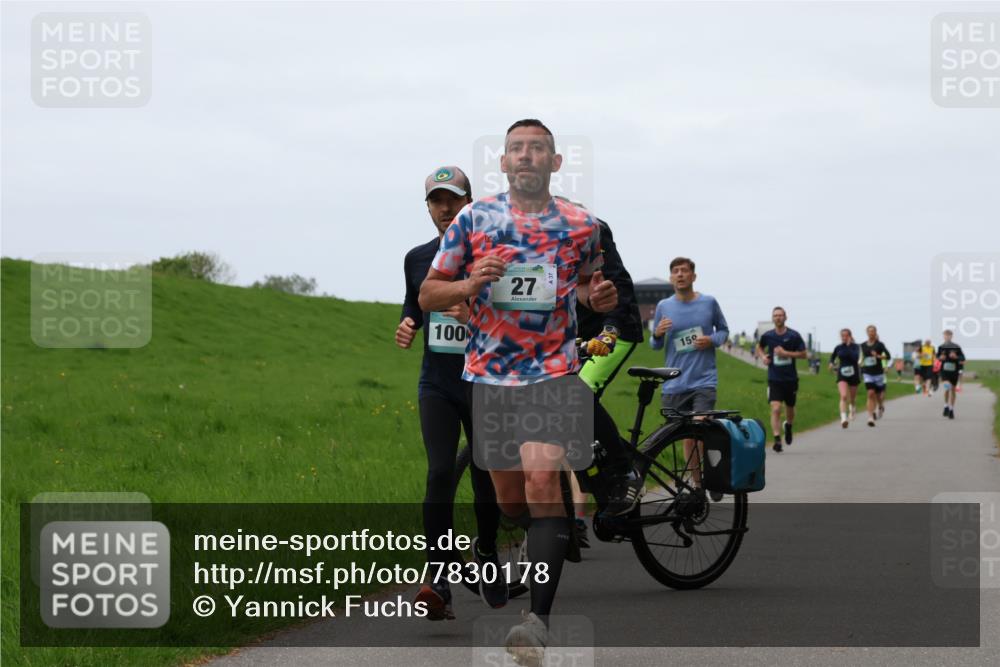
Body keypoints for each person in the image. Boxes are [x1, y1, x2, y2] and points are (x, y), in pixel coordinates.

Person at [419, 119, 636, 666]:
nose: (526, 156)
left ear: (555, 163)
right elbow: (427, 294)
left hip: (552, 373)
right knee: (512, 501)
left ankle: (536, 621)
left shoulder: (583, 226)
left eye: (537, 148)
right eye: (516, 148)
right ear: (504, 162)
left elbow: (589, 287)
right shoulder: (474, 219)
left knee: (540, 482)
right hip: (490, 379)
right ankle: (556, 518)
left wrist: (599, 298)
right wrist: (469, 283)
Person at [396, 166, 505, 620]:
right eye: (435, 201)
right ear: (428, 207)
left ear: (469, 203)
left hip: (482, 382)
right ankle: (438, 577)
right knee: (440, 471)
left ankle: (488, 556)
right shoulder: (417, 258)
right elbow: (414, 303)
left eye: (452, 200)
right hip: (437, 383)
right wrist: (407, 324)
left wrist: (473, 315)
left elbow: (510, 319)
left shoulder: (490, 254)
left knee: (485, 477)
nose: (444, 209)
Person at [572, 214, 645, 547]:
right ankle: (586, 500)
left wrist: (611, 330)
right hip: (574, 337)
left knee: (577, 396)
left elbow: (618, 287)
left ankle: (623, 472)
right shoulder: (536, 237)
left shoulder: (590, 229)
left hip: (613, 332)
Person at [650, 257, 730, 495]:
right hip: (675, 383)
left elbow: (724, 331)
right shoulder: (664, 306)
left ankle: (714, 478)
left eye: (685, 271)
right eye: (675, 271)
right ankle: (699, 485)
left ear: (694, 277)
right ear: (671, 278)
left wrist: (712, 340)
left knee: (700, 429)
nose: (680, 274)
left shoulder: (709, 302)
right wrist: (656, 333)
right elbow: (655, 345)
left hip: (704, 380)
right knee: (686, 438)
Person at [756, 307, 808, 452]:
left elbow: (804, 354)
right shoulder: (768, 335)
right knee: (776, 408)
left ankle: (789, 426)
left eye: (780, 315)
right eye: (775, 316)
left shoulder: (793, 335)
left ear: (785, 317)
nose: (778, 318)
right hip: (774, 378)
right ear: (773, 318)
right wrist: (763, 357)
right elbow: (759, 347)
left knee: (790, 408)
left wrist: (786, 353)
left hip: (790, 379)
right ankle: (777, 439)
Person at [859, 325, 891, 427]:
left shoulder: (880, 345)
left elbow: (888, 356)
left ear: (875, 332)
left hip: (878, 373)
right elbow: (861, 357)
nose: (871, 333)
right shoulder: (863, 345)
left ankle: (880, 406)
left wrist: (878, 356)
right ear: (867, 333)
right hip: (867, 373)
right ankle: (870, 417)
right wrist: (859, 362)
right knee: (870, 393)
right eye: (869, 331)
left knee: (879, 396)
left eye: (873, 331)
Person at [829, 328, 860, 428]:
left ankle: (852, 408)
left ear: (850, 336)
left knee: (852, 398)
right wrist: (831, 363)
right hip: (842, 374)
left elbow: (855, 358)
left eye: (846, 335)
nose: (844, 337)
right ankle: (843, 419)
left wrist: (848, 346)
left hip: (854, 374)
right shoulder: (838, 347)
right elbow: (833, 356)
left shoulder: (855, 347)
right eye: (842, 336)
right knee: (843, 396)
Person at [937, 330, 966, 419]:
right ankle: (946, 405)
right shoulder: (941, 347)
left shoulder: (956, 347)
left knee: (953, 390)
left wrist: (956, 357)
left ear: (951, 336)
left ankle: (951, 409)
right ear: (943, 336)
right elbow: (937, 356)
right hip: (945, 371)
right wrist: (940, 358)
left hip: (954, 371)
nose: (947, 337)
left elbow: (963, 358)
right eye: (946, 335)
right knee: (947, 388)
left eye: (949, 335)